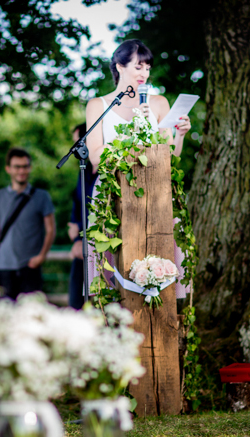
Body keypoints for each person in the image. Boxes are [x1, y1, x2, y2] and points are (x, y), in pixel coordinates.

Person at [85, 39, 192, 299]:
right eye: (138, 67)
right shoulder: (98, 105)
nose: (144, 74)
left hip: (156, 193)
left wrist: (180, 135)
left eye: (147, 68)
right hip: (113, 193)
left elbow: (171, 155)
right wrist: (132, 137)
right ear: (120, 66)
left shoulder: (158, 103)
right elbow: (96, 158)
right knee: (112, 263)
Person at [0, 148, 56, 299]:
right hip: (2, 267)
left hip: (29, 266)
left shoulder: (42, 196)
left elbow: (50, 230)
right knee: (4, 315)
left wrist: (42, 256)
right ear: (8, 169)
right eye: (17, 167)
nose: (22, 171)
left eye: (25, 166)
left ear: (30, 168)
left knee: (31, 315)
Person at [67, 123, 98, 310]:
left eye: (77, 144)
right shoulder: (83, 169)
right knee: (75, 301)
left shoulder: (107, 170)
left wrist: (85, 237)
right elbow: (78, 202)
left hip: (100, 243)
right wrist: (75, 226)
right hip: (82, 243)